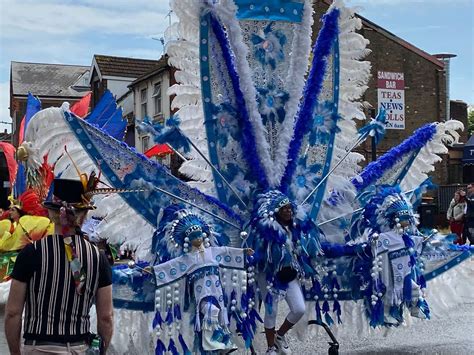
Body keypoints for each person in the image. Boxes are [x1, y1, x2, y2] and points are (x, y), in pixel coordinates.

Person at [4, 178, 113, 355]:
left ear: (50, 213)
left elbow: (13, 313)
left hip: (39, 347)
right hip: (79, 347)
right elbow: (106, 318)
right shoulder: (98, 258)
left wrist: (15, 352)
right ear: (83, 215)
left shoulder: (32, 253)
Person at [151, 206, 256, 354]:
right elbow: (171, 267)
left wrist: (244, 252)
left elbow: (227, 252)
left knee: (219, 312)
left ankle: (223, 341)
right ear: (188, 240)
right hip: (202, 293)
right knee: (210, 311)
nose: (198, 239)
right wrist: (155, 271)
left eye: (200, 235)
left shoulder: (213, 252)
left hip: (216, 289)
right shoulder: (186, 259)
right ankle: (213, 343)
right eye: (194, 237)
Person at [245, 191, 322, 355]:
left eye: (289, 208)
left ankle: (280, 336)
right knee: (271, 311)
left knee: (299, 309)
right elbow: (260, 254)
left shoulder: (296, 228)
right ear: (276, 211)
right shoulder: (266, 231)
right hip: (269, 277)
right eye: (283, 208)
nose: (287, 211)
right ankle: (270, 348)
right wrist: (251, 257)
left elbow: (305, 250)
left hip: (290, 274)